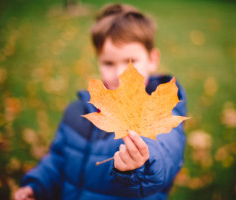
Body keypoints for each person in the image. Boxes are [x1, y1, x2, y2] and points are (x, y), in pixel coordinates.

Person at [14, 3, 187, 200]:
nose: (121, 74)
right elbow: (58, 160)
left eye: (131, 61)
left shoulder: (162, 112)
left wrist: (140, 164)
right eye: (108, 63)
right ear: (98, 61)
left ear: (152, 59)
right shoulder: (76, 113)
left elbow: (165, 155)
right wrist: (37, 186)